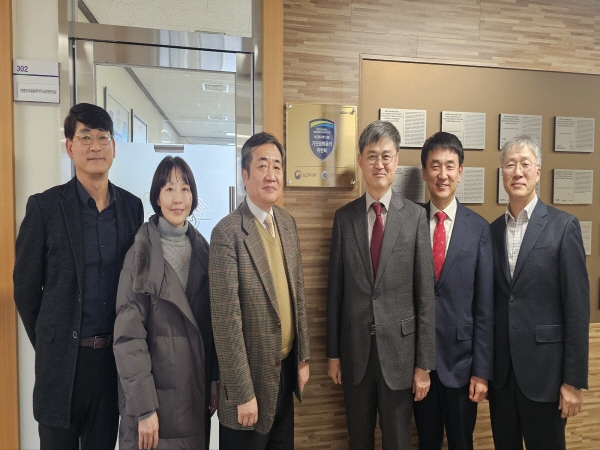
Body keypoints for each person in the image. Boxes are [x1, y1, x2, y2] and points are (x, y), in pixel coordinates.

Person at [13, 103, 144, 449]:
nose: (95, 146)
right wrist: (52, 341)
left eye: (103, 137)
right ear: (70, 147)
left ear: (114, 147)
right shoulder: (44, 207)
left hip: (111, 362)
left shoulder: (131, 208)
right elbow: (26, 289)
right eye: (85, 137)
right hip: (62, 366)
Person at [326, 120, 435, 450]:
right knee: (358, 440)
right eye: (372, 156)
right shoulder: (344, 218)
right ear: (360, 160)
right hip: (354, 352)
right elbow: (335, 292)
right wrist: (333, 354)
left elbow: (425, 297)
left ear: (396, 160)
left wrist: (423, 365)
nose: (379, 164)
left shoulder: (415, 217)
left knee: (398, 441)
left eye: (386, 156)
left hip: (400, 355)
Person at [209, 132, 311, 450]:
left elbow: (298, 295)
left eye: (277, 166)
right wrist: (243, 393)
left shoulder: (287, 223)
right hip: (249, 384)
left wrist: (303, 357)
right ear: (245, 175)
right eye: (262, 165)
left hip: (284, 373)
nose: (271, 175)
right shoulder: (227, 232)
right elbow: (226, 324)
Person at [489, 135, 590, 450]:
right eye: (510, 165)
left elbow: (577, 310)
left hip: (546, 376)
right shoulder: (492, 231)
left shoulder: (563, 226)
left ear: (537, 171)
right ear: (502, 173)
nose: (517, 172)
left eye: (525, 164)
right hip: (502, 378)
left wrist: (573, 382)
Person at [113, 156, 218, 450]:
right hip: (154, 407)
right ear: (157, 196)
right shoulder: (140, 254)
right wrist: (144, 409)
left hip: (192, 398)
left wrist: (214, 380)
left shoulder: (204, 252)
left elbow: (211, 329)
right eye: (169, 189)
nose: (178, 198)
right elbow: (128, 339)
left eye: (185, 189)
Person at [412, 132, 493, 450]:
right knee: (426, 442)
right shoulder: (411, 223)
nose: (442, 174)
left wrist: (481, 372)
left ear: (460, 172)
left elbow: (484, 307)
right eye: (435, 166)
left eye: (449, 166)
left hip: (463, 364)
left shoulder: (479, 228)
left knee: (462, 442)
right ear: (424, 172)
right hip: (421, 363)